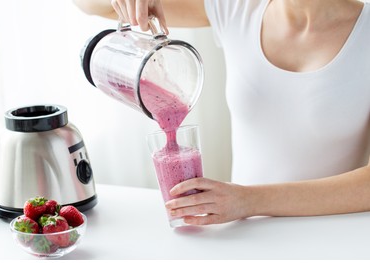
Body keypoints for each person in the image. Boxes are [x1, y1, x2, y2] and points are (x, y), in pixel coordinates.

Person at [74, 0, 370, 225]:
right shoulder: (238, 7)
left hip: (333, 233)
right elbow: (87, 6)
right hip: (243, 234)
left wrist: (250, 200)